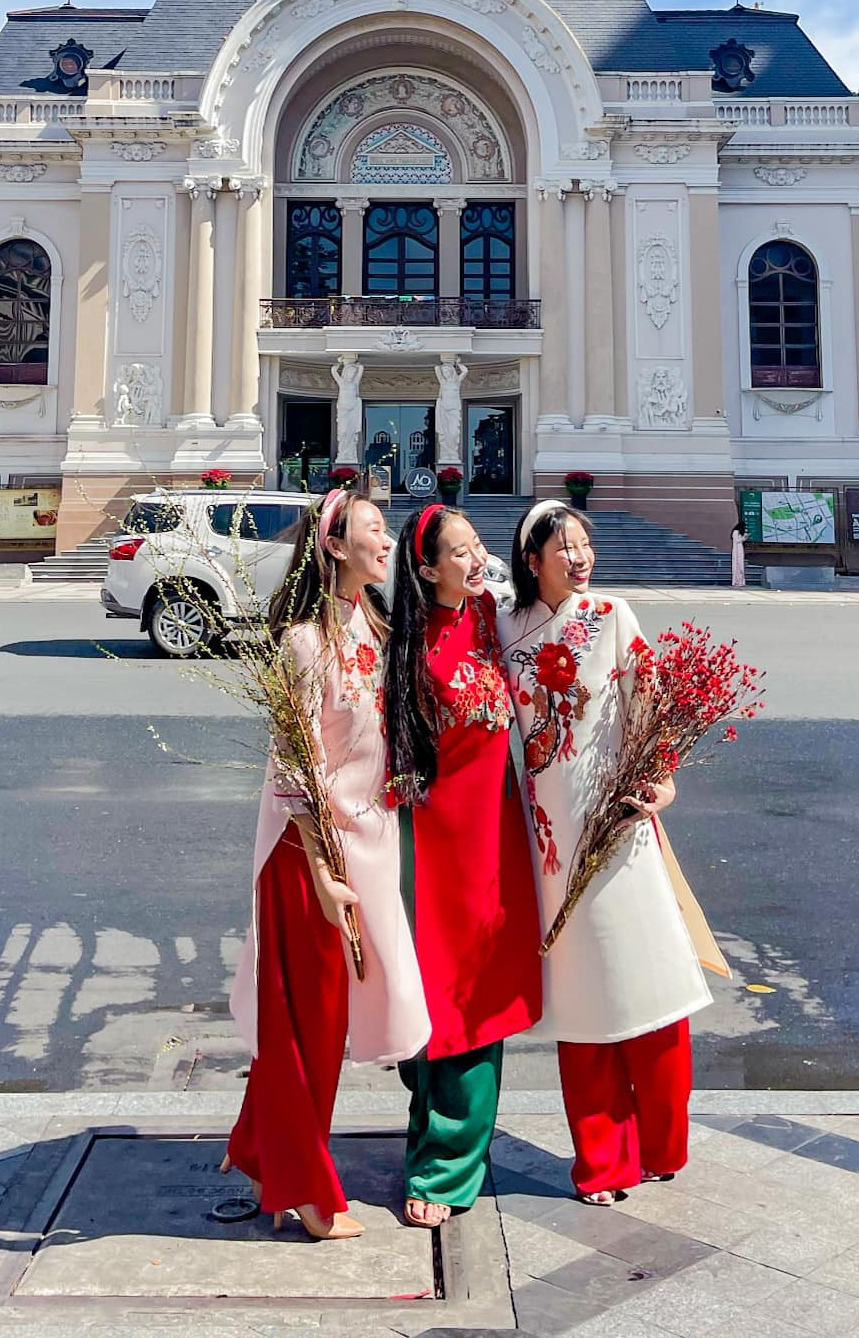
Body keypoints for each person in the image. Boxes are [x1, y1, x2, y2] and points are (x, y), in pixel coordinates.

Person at [225, 487, 430, 1241]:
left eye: (388, 532)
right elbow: (293, 764)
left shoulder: (372, 626)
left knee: (330, 1012)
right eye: (375, 531)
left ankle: (258, 1147)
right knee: (305, 1021)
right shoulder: (305, 642)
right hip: (310, 851)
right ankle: (305, 1188)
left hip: (368, 843)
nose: (388, 542)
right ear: (335, 547)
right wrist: (318, 868)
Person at [498, 500, 712, 1205]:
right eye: (565, 547)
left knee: (650, 981)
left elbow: (649, 709)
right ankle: (601, 1162)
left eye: (585, 544)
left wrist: (661, 782)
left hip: (619, 827)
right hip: (550, 842)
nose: (582, 557)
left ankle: (662, 1145)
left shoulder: (614, 615)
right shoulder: (504, 627)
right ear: (532, 561)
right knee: (584, 995)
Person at [384, 505, 542, 1226]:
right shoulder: (405, 645)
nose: (477, 559)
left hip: (494, 840)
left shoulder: (488, 617)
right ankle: (433, 1137)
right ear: (425, 569)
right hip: (433, 844)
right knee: (438, 1001)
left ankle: (447, 1169)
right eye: (461, 551)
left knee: (476, 1001)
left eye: (479, 545)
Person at [730, 519, 746, 590]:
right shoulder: (735, 532)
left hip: (740, 549)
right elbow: (736, 541)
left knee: (740, 564)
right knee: (737, 564)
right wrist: (743, 538)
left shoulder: (739, 532)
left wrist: (744, 538)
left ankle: (741, 581)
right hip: (736, 549)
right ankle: (736, 581)